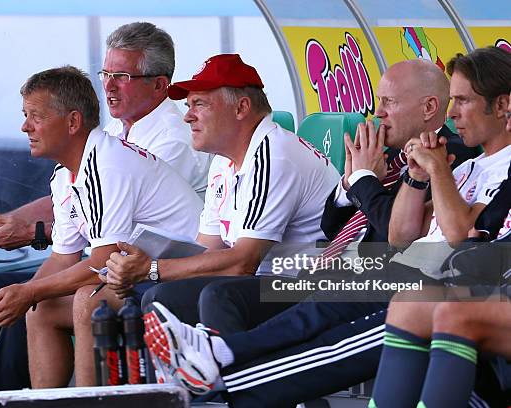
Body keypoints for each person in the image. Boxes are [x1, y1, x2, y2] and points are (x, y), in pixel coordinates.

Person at [142, 47, 511, 408]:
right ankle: (218, 361)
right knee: (183, 297)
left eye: (462, 100)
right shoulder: (459, 167)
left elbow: (439, 235)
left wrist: (374, 179)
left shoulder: (454, 155)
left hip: (396, 275)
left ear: (502, 106)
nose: (376, 113)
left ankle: (219, 376)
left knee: (320, 304)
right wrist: (385, 180)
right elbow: (346, 225)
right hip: (359, 269)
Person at [0, 21, 208, 398]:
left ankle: (79, 401)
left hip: (167, 274)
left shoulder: (144, 148)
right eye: (107, 74)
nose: (24, 127)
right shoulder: (83, 159)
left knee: (73, 302)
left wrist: (25, 280)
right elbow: (65, 248)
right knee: (26, 302)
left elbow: (104, 255)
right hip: (126, 270)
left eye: (123, 76)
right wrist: (26, 288)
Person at [193, 58, 480, 336]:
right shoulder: (386, 152)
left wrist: (364, 180)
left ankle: (235, 376)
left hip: (367, 285)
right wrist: (347, 183)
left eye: (389, 102)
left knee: (221, 295)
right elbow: (330, 225)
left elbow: (395, 233)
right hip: (321, 275)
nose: (378, 113)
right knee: (208, 294)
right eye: (379, 101)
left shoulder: (450, 155)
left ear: (429, 107)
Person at [102, 53, 340, 327]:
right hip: (267, 281)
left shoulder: (274, 155)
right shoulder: (223, 162)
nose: (188, 117)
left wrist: (152, 269)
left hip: (315, 287)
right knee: (151, 295)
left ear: (241, 108)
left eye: (199, 104)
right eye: (188, 105)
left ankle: (236, 370)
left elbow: (243, 264)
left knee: (207, 296)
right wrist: (141, 270)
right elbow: (206, 251)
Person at [368, 86, 511, 408]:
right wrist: (419, 176)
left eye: (462, 100)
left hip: (442, 278)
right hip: (410, 270)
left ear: (502, 107)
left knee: (450, 310)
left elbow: (462, 233)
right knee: (406, 300)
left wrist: (365, 181)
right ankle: (232, 362)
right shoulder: (469, 167)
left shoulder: (471, 159)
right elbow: (401, 237)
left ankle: (234, 372)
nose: (453, 112)